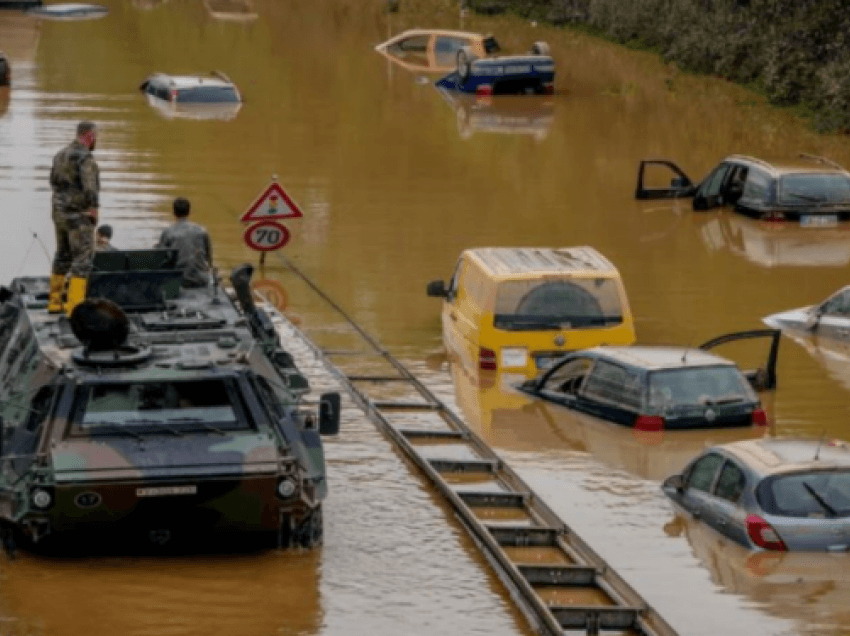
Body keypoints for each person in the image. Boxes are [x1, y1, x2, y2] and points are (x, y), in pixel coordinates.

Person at [48, 120, 100, 315]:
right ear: (89, 135)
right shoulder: (85, 159)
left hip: (58, 213)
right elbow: (90, 188)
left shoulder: (59, 155)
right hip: (79, 216)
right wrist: (93, 209)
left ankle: (54, 302)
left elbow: (53, 182)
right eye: (96, 136)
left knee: (62, 255)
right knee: (82, 260)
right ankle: (75, 308)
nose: (97, 140)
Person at [156, 197, 212, 288]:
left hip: (178, 280)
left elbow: (160, 259)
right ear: (190, 212)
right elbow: (209, 259)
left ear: (173, 212)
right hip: (201, 279)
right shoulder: (202, 231)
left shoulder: (168, 232)